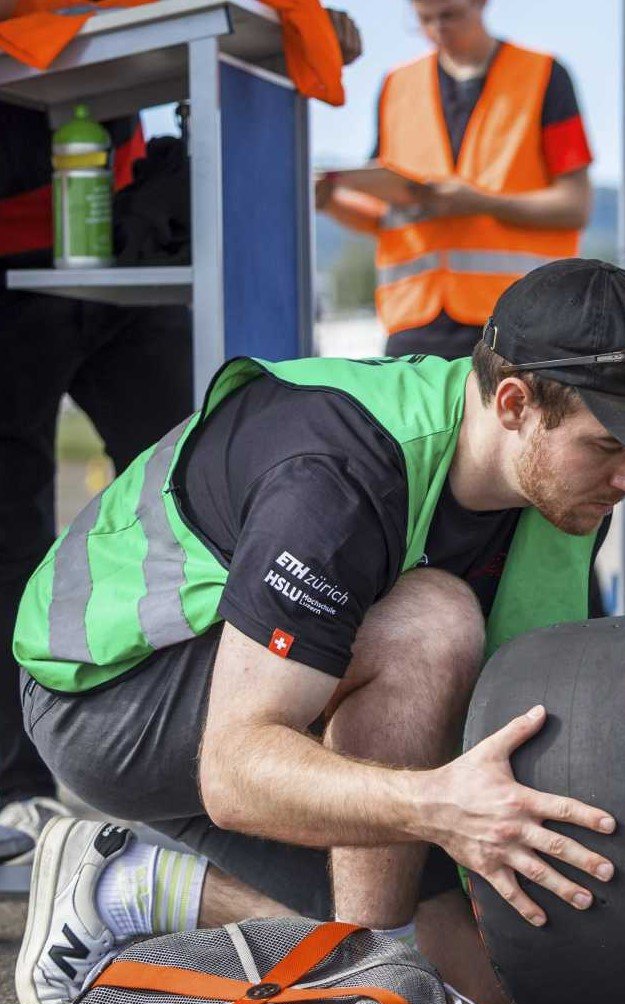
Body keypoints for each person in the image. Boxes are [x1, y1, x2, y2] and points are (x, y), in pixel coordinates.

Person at [13, 259, 625, 1004]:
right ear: (514, 403)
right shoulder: (336, 475)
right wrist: (433, 806)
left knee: (481, 978)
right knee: (430, 623)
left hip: (272, 698)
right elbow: (236, 768)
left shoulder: (563, 493)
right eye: (609, 445)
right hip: (108, 696)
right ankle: (367, 991)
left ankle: (132, 888)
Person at [0, 6, 363, 854]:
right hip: (15, 257)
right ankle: (15, 788)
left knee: (198, 487)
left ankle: (235, 749)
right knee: (12, 521)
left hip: (120, 233)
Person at [316, 0, 594, 359]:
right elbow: (384, 219)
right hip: (413, 325)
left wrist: (482, 203)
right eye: (424, 20)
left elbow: (575, 206)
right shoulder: (396, 86)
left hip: (519, 323)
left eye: (449, 15)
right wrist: (329, 200)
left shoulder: (543, 75)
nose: (438, 29)